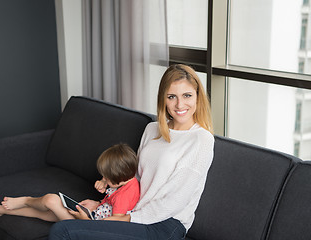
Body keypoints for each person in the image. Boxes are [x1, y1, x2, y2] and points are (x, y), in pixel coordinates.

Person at [48, 64, 215, 240]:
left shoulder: (201, 139)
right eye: (172, 97)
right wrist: (103, 205)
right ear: (163, 100)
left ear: (198, 96)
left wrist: (125, 219)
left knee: (63, 231)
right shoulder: (152, 129)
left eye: (187, 95)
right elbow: (133, 179)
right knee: (67, 222)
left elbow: (175, 201)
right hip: (134, 211)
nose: (180, 104)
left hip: (166, 225)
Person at [0, 143, 140, 222]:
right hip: (92, 214)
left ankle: (25, 199)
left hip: (90, 224)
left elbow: (116, 221)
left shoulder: (127, 194)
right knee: (43, 213)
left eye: (107, 178)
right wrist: (98, 199)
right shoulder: (124, 180)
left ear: (120, 177)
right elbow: (109, 201)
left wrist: (86, 219)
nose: (104, 179)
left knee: (50, 200)